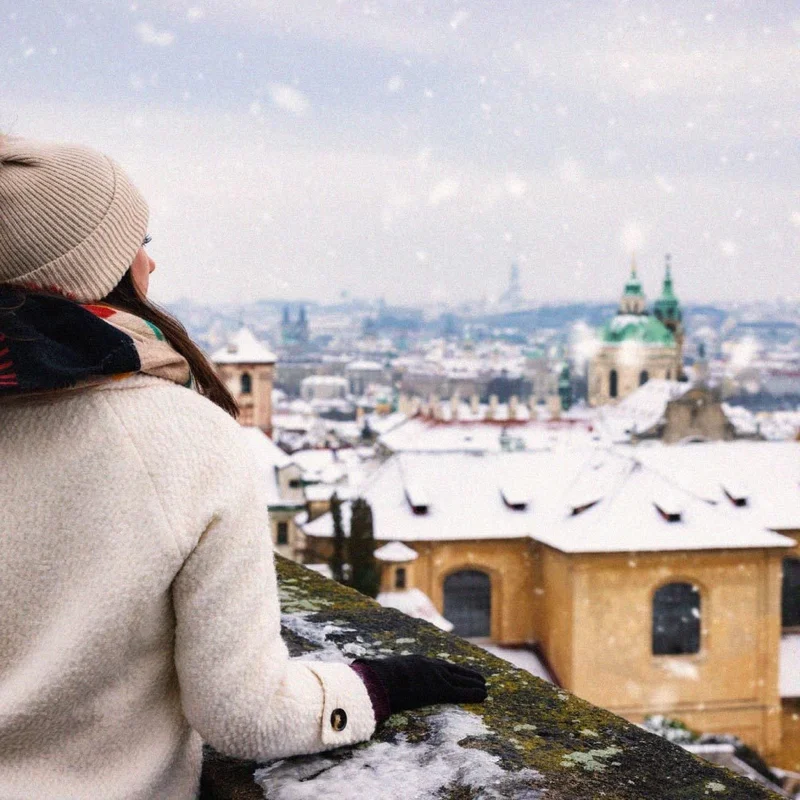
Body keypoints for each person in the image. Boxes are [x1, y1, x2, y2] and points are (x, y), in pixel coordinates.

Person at [0, 136, 487, 800]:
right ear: (90, 273)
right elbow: (244, 715)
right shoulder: (183, 435)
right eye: (134, 242)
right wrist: (375, 685)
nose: (150, 260)